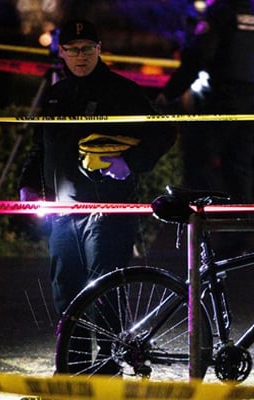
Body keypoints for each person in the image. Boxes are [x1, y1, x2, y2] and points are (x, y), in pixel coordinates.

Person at [18, 19, 176, 317]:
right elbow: (40, 148)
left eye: (88, 48)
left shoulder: (122, 91)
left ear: (99, 49)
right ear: (61, 52)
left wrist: (129, 163)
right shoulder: (56, 96)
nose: (81, 55)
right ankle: (71, 364)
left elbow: (165, 132)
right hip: (62, 213)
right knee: (65, 292)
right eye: (73, 49)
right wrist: (27, 185)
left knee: (105, 295)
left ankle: (108, 363)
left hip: (108, 213)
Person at [156, 0, 254, 256]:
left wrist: (169, 93)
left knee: (198, 166)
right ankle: (237, 238)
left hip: (217, 102)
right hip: (250, 103)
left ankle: (201, 231)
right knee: (238, 172)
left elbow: (197, 58)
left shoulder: (219, 15)